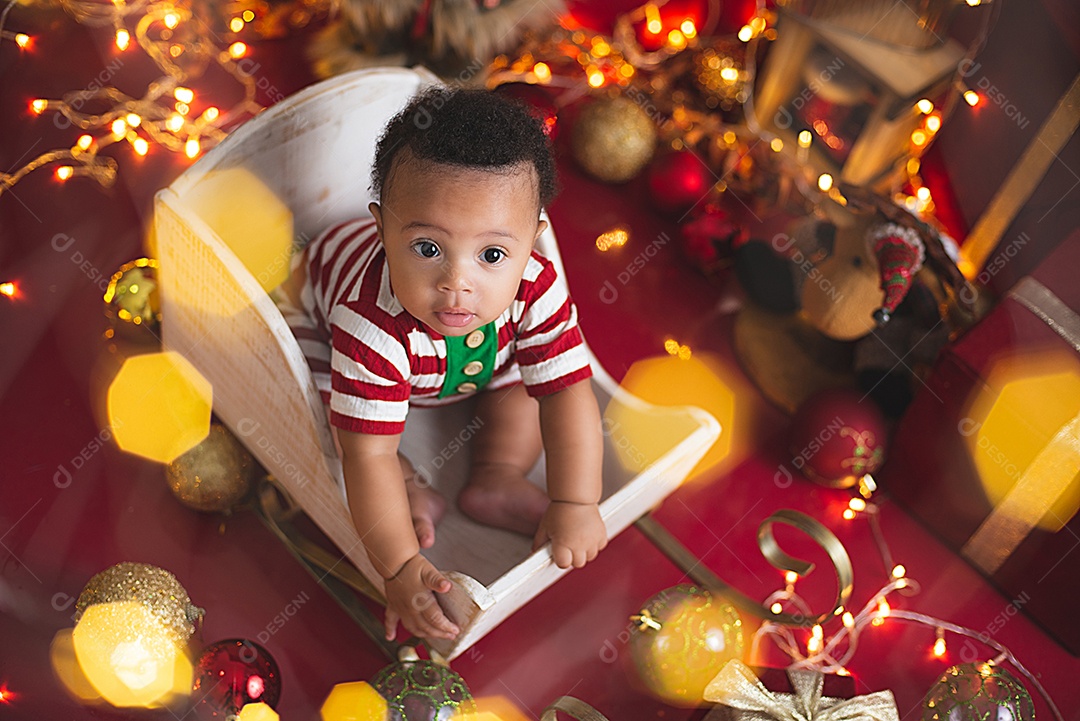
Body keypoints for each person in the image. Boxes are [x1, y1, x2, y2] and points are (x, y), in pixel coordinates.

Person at [283, 87, 607, 642]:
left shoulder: (534, 285)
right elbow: (369, 454)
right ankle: (414, 487)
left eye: (492, 255)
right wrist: (400, 568)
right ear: (383, 229)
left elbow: (568, 391)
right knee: (335, 421)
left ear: (534, 240)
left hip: (472, 366)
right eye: (428, 248)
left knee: (531, 389)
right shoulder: (370, 327)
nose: (458, 282)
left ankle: (496, 476)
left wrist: (577, 500)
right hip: (346, 344)